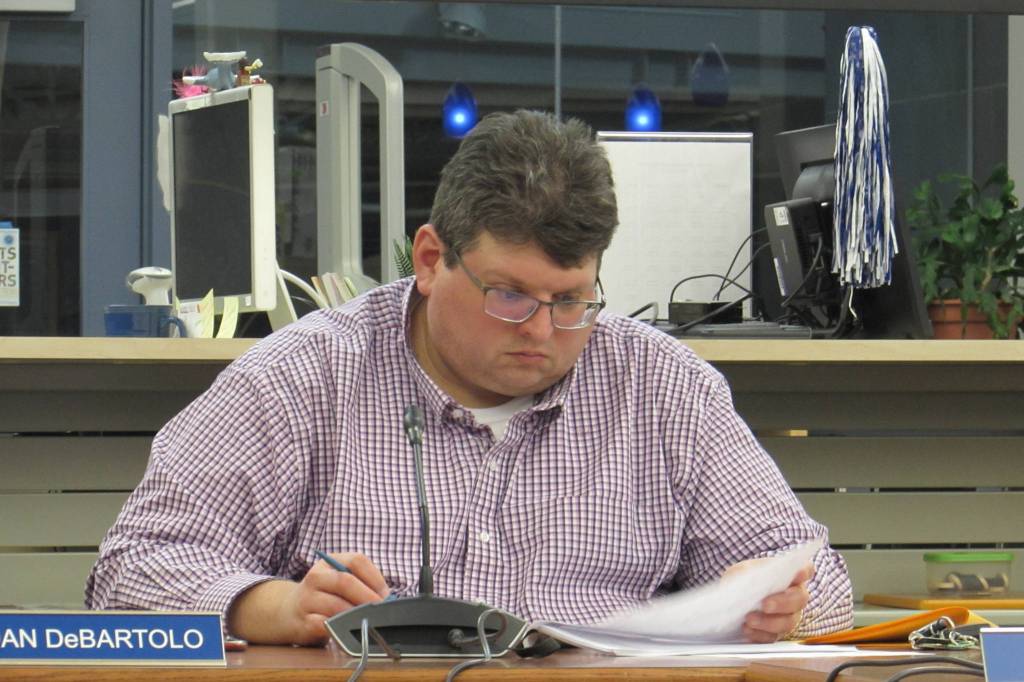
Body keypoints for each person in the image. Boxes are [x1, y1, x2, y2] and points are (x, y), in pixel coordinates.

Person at [86, 110, 853, 646]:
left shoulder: (663, 388)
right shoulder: (301, 380)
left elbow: (819, 577)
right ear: (430, 260)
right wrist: (275, 606)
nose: (542, 332)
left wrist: (781, 600)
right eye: (509, 295)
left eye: (572, 300)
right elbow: (130, 574)